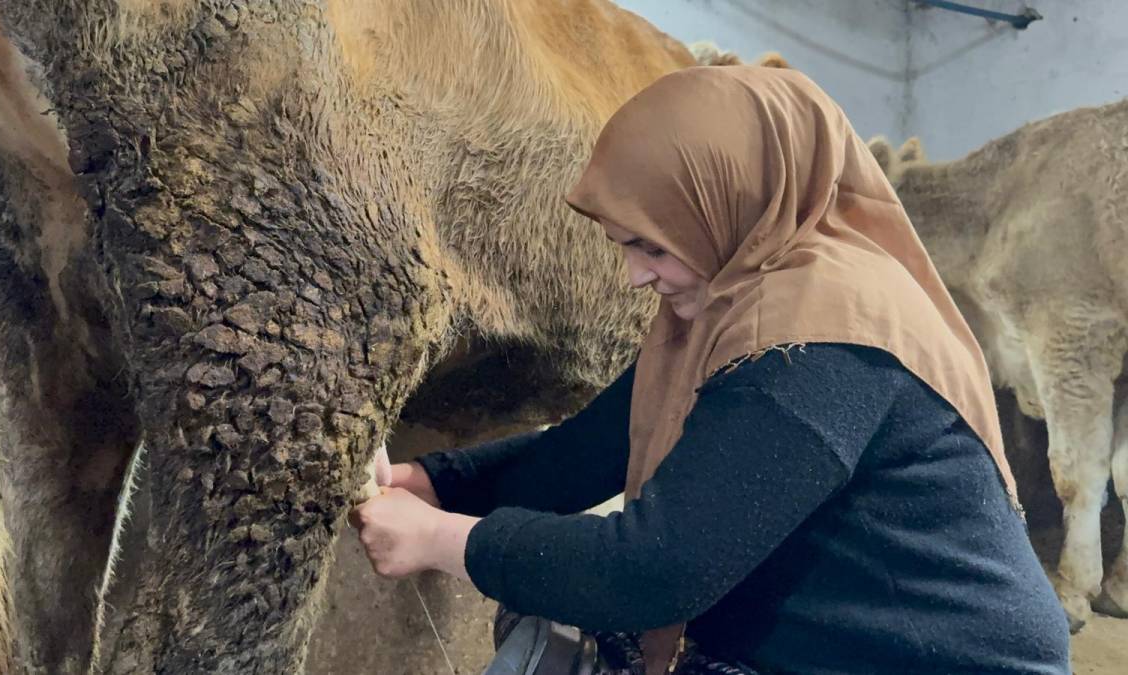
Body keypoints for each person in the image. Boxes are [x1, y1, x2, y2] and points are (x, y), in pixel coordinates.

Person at [348, 66, 1070, 674]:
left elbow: (652, 571)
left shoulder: (820, 339)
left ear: (725, 203)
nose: (636, 275)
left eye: (651, 246)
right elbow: (587, 449)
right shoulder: (729, 297)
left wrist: (442, 541)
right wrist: (433, 482)